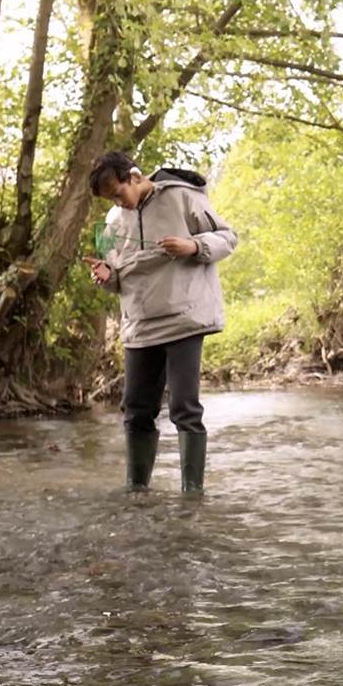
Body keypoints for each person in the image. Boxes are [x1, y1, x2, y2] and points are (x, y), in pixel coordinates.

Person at [85, 152, 238, 495]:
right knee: (136, 410)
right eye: (110, 198)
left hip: (184, 318)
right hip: (139, 323)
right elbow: (114, 273)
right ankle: (136, 492)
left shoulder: (184, 197)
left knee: (184, 407)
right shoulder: (112, 220)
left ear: (135, 177)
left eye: (118, 193)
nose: (117, 203)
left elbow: (228, 238)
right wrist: (105, 274)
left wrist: (192, 245)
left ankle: (191, 496)